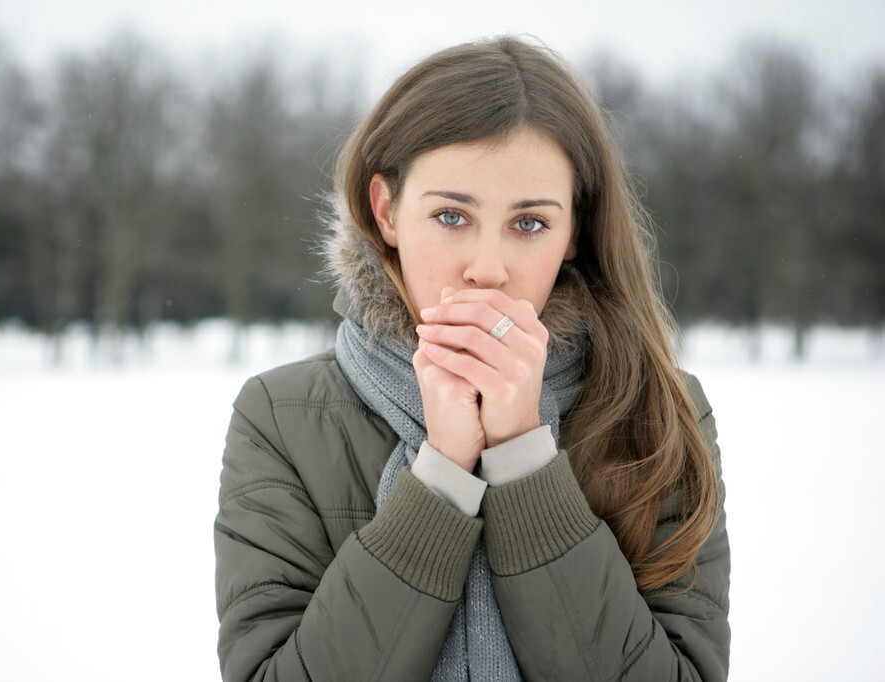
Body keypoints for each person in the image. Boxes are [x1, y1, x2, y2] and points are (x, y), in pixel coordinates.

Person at [215, 36, 729, 681]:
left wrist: (521, 458)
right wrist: (441, 480)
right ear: (387, 212)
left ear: (574, 232)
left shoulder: (654, 412)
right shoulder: (281, 417)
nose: (487, 270)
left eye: (531, 223)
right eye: (452, 215)